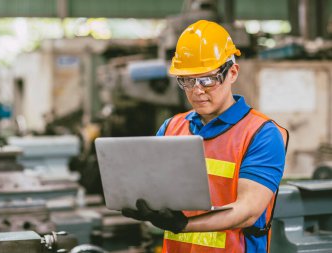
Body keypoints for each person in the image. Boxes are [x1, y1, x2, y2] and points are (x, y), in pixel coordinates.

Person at [121, 20, 289, 253]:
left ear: (232, 72)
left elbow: (247, 212)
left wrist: (185, 225)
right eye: (188, 80)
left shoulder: (261, 134)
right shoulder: (171, 128)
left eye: (208, 79)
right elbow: (155, 187)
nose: (197, 90)